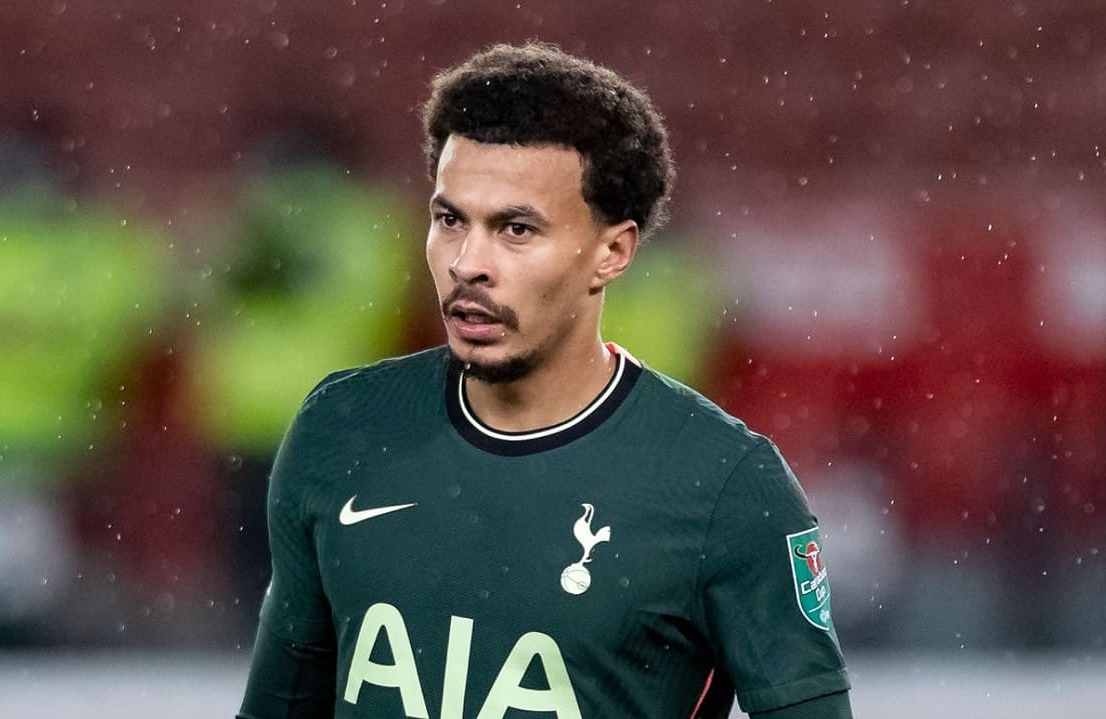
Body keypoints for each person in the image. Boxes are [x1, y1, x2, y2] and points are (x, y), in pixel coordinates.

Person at [237, 42, 851, 719]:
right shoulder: (342, 428)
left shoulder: (725, 487)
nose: (469, 263)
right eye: (450, 220)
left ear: (612, 252)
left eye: (516, 229)